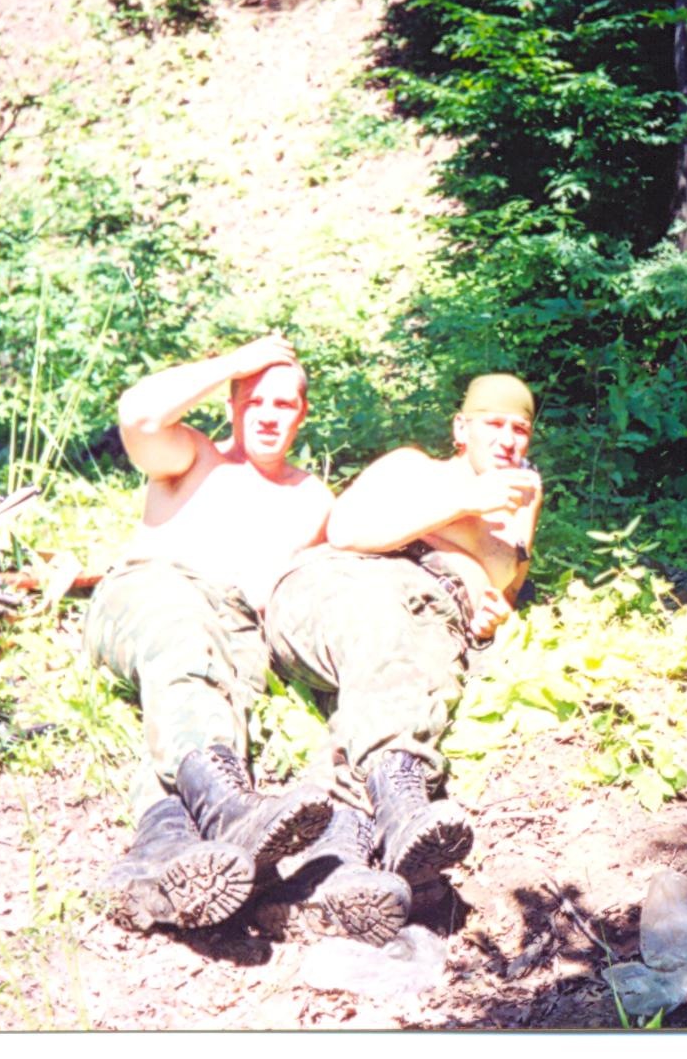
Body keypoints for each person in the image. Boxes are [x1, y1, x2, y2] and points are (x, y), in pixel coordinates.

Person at [263, 373, 543, 934]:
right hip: (346, 586)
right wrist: (461, 503)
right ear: (461, 429)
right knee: (386, 630)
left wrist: (495, 611)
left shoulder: (521, 496)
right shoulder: (414, 468)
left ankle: (339, 867)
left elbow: (506, 586)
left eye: (521, 429)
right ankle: (400, 796)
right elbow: (346, 530)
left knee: (405, 674)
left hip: (431, 620)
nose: (508, 438)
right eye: (493, 423)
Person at [85, 335, 340, 933]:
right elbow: (139, 415)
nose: (268, 416)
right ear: (231, 406)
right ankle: (227, 807)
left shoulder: (311, 497)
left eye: (284, 404)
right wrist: (236, 362)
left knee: (218, 701)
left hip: (238, 627)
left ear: (302, 413)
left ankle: (161, 846)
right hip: (153, 593)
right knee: (182, 640)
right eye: (253, 401)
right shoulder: (193, 459)